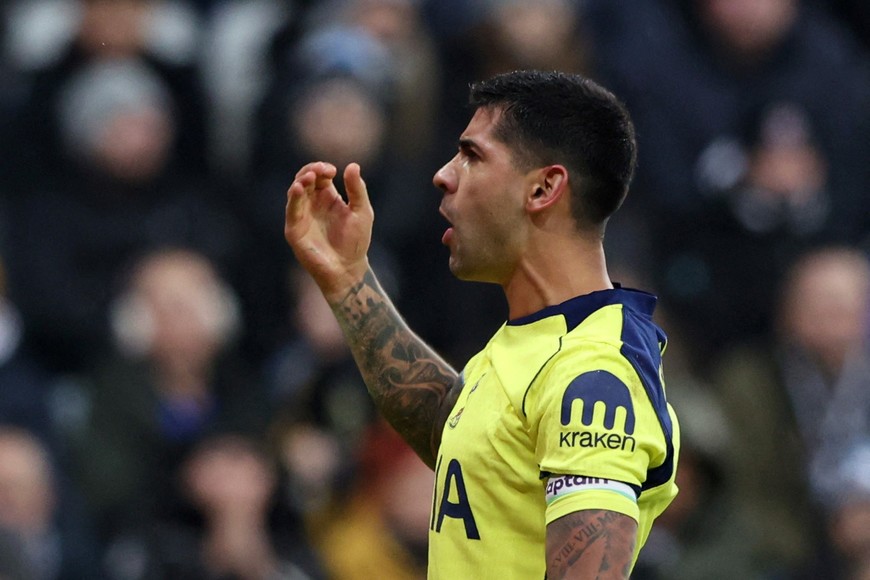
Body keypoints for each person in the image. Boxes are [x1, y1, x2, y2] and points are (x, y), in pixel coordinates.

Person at [283, 70, 680, 578]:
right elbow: (465, 441)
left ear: (543, 188)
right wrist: (349, 280)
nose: (443, 175)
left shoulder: (594, 372)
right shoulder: (536, 340)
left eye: (472, 156)